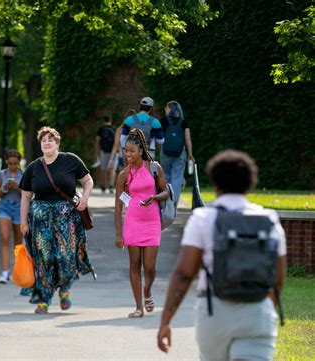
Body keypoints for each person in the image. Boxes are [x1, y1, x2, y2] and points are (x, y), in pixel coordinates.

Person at [157, 150, 287, 360]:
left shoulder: (203, 219)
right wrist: (260, 309)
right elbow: (278, 278)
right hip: (258, 312)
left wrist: (165, 321)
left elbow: (183, 274)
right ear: (250, 184)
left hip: (215, 312)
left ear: (216, 184)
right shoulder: (270, 220)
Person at [19, 126, 95, 314]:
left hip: (67, 218)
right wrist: (23, 222)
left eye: (50, 139)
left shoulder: (70, 160)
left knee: (65, 256)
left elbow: (88, 180)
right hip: (40, 220)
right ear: (40, 144)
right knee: (44, 258)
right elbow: (25, 197)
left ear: (57, 143)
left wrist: (85, 197)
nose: (47, 142)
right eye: (43, 139)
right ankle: (44, 300)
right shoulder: (34, 167)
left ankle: (64, 289)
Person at [114, 128, 169, 318]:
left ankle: (148, 291)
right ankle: (139, 306)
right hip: (133, 222)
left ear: (140, 151)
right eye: (125, 151)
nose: (128, 154)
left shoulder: (154, 168)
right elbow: (118, 207)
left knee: (150, 267)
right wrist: (119, 234)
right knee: (134, 264)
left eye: (131, 151)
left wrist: (154, 197)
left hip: (152, 221)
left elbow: (166, 192)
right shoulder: (123, 175)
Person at [0, 149, 23, 284]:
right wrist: (5, 188)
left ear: (19, 163)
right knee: (5, 238)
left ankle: (18, 271)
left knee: (18, 242)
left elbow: (28, 194)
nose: (12, 166)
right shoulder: (1, 174)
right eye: (10, 163)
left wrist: (17, 187)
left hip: (18, 208)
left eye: (15, 164)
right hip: (4, 207)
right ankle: (5, 272)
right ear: (6, 162)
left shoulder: (23, 175)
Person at [159, 101, 195, 203]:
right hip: (180, 153)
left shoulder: (163, 121)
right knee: (177, 177)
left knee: (165, 176)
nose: (165, 109)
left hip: (165, 152)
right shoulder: (183, 122)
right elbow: (188, 139)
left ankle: (166, 201)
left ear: (170, 109)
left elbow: (159, 137)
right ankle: (174, 202)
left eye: (166, 108)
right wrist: (190, 154)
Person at [109, 109, 136, 175]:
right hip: (135, 156)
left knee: (124, 177)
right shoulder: (137, 128)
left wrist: (111, 160)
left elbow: (115, 146)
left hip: (123, 155)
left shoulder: (120, 129)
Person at [94, 115, 116, 193]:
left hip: (104, 151)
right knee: (112, 169)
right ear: (111, 121)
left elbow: (97, 141)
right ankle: (111, 186)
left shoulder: (101, 129)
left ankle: (103, 186)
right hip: (114, 152)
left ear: (103, 121)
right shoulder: (114, 128)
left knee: (103, 169)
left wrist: (96, 153)